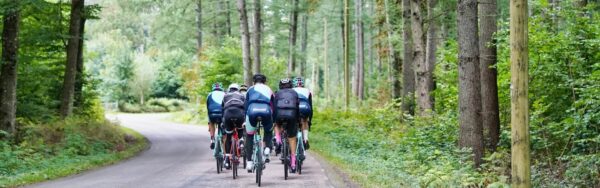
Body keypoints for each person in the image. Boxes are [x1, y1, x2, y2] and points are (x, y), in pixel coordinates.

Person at [244, 74, 275, 172]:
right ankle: (267, 149)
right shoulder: (269, 89)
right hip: (266, 111)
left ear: (254, 82)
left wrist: (246, 119)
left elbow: (245, 105)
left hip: (252, 112)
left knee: (249, 136)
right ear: (264, 82)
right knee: (268, 130)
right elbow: (273, 105)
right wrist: (273, 120)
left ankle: (249, 163)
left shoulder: (250, 89)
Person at [273, 78, 300, 173]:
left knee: (276, 124)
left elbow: (274, 107)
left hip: (279, 115)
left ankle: (278, 140)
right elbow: (297, 107)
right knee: (292, 138)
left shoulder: (277, 93)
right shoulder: (294, 93)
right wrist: (298, 120)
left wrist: (274, 120)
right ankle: (293, 163)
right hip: (292, 115)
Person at [221, 83, 246, 169]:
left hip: (228, 115)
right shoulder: (242, 95)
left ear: (229, 89)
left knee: (228, 137)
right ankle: (242, 140)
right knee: (240, 129)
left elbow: (222, 109)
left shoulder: (225, 96)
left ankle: (227, 160)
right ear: (237, 89)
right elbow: (245, 107)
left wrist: (222, 121)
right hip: (239, 114)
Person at [293, 77, 313, 150]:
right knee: (305, 121)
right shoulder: (308, 91)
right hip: (306, 107)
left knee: (293, 121)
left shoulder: (292, 90)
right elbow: (311, 106)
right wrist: (310, 120)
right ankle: (305, 139)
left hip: (295, 108)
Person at [206, 83, 225, 149]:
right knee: (225, 129)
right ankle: (226, 153)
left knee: (211, 121)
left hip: (212, 114)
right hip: (222, 115)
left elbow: (208, 107)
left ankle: (212, 138)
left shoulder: (209, 95)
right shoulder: (225, 94)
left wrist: (209, 121)